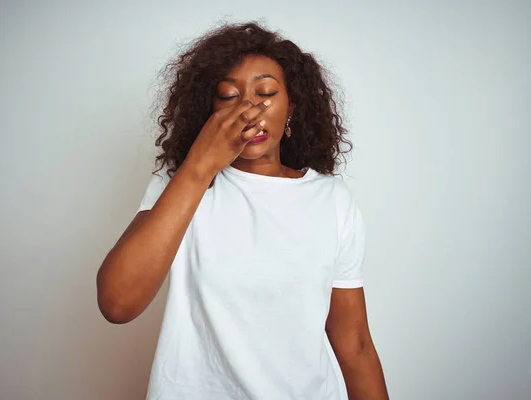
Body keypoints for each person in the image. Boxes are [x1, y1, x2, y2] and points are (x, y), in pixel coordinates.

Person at [97, 22, 389, 400]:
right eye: (228, 96)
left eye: (266, 92)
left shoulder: (331, 199)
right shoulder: (180, 185)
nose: (249, 110)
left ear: (292, 109)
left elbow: (355, 345)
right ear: (208, 113)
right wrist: (200, 166)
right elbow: (118, 303)